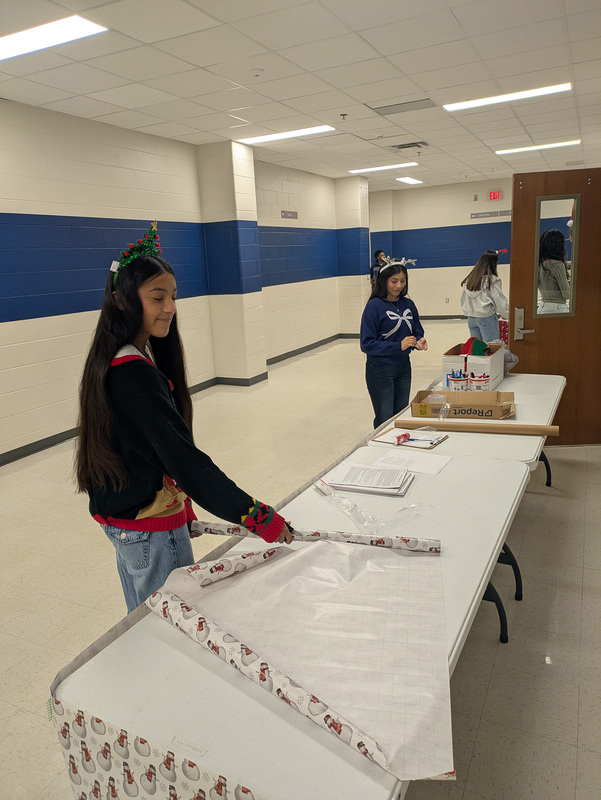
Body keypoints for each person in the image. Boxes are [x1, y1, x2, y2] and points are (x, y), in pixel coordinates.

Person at [75, 223, 292, 613]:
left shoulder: (114, 358)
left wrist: (178, 500)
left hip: (125, 522)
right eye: (157, 298)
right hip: (150, 533)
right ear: (122, 300)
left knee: (143, 623)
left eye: (173, 296)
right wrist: (256, 516)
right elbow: (184, 458)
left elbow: (140, 449)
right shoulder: (132, 374)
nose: (170, 308)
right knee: (167, 630)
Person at [360, 262, 428, 429]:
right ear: (384, 281)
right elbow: (367, 344)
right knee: (385, 416)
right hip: (380, 369)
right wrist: (398, 346)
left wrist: (419, 340)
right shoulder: (374, 306)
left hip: (403, 367)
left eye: (403, 281)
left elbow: (417, 330)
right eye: (394, 281)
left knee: (401, 413)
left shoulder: (408, 304)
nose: (399, 285)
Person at [460, 250, 509, 342]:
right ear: (494, 263)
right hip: (486, 318)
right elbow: (499, 301)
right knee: (491, 349)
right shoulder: (492, 280)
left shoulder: (469, 279)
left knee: (477, 348)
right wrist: (510, 315)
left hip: (471, 318)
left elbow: (463, 299)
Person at [537, 228, 570, 314]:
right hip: (557, 308)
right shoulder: (558, 265)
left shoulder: (540, 264)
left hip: (542, 307)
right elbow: (567, 294)